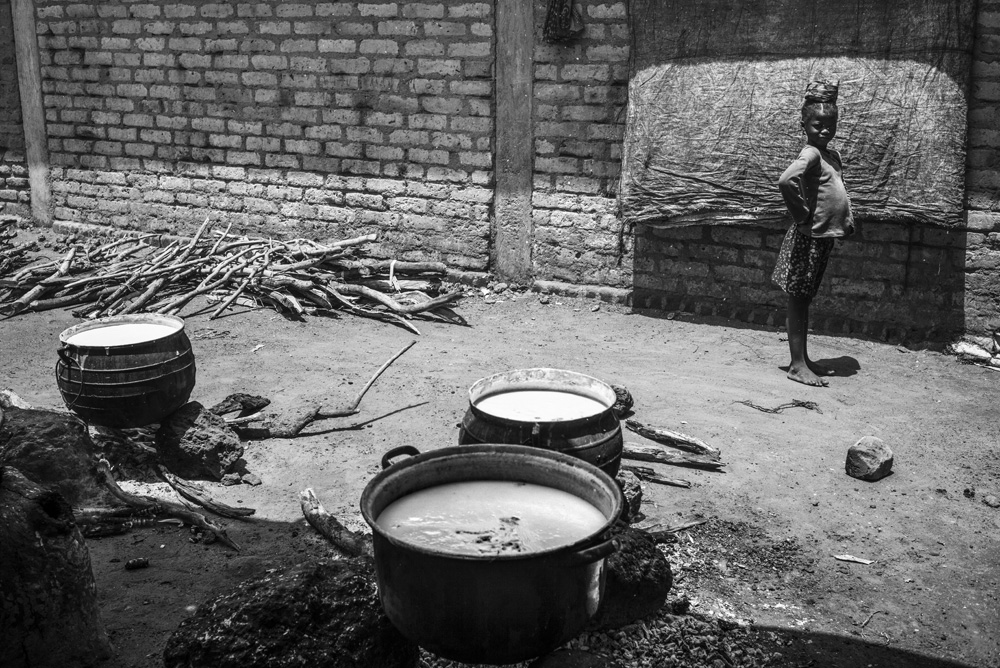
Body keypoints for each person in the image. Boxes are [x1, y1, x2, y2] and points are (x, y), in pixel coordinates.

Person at [773, 80, 855, 386]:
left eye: (830, 125)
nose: (824, 131)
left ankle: (803, 359)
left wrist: (846, 221)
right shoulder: (811, 154)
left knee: (804, 299)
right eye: (818, 125)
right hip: (807, 239)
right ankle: (796, 364)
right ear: (804, 125)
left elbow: (836, 192)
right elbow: (786, 181)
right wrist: (802, 214)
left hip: (822, 239)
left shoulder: (830, 156)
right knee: (798, 298)